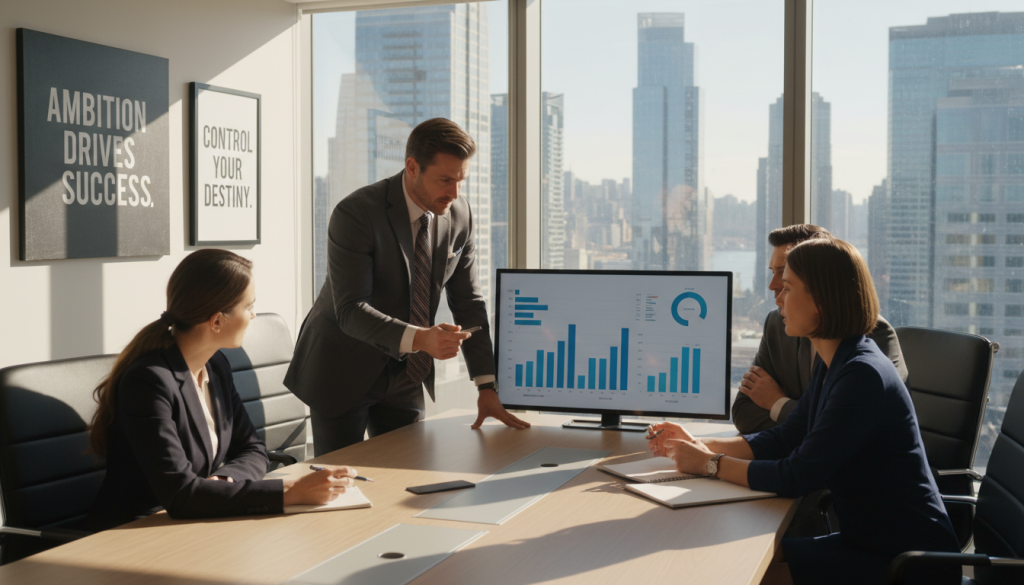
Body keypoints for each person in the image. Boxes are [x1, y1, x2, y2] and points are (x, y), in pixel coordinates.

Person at [648, 238, 960, 585]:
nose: (778, 295)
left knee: (748, 576)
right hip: (867, 542)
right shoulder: (836, 362)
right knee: (740, 559)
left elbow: (796, 476)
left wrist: (709, 465)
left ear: (822, 301)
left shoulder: (863, 374)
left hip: (908, 563)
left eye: (789, 287)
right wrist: (702, 445)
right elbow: (786, 437)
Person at [285, 118, 528, 456]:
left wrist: (486, 384)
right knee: (339, 485)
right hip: (343, 367)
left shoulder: (459, 214)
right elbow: (350, 310)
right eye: (444, 180)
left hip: (406, 371)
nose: (454, 194)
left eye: (461, 181)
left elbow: (469, 302)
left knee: (408, 476)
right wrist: (423, 338)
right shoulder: (356, 213)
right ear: (412, 167)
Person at [88, 250, 356, 531]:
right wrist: (289, 492)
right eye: (249, 306)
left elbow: (252, 449)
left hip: (197, 519)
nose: (254, 315)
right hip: (137, 532)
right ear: (217, 321)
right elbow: (180, 495)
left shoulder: (215, 365)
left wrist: (224, 481)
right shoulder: (149, 382)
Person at [733, 224, 907, 434]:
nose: (772, 285)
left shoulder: (871, 337)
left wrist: (777, 403)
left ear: (820, 283)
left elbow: (844, 430)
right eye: (774, 272)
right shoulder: (777, 324)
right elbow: (744, 413)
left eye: (784, 274)